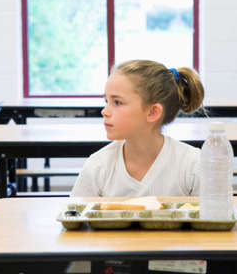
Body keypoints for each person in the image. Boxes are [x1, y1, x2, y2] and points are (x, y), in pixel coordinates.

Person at [71, 59, 205, 197]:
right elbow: (75, 214)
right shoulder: (98, 166)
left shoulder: (193, 165)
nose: (104, 111)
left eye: (117, 102)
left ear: (153, 112)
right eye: (106, 101)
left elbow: (214, 214)